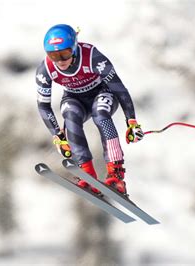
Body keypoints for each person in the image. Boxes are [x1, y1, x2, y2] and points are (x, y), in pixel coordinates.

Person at [36, 24, 144, 196]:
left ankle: (116, 173)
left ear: (74, 48)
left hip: (102, 93)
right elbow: (43, 105)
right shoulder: (46, 69)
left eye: (64, 54)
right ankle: (86, 172)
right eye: (53, 55)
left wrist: (131, 121)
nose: (60, 61)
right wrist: (58, 136)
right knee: (70, 114)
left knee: (100, 114)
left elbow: (119, 88)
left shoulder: (92, 57)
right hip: (74, 99)